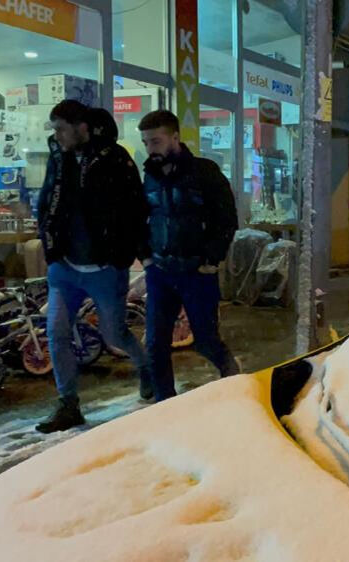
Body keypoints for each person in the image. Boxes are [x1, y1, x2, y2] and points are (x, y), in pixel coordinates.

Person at [35, 100, 150, 433]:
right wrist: (50, 245)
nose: (56, 135)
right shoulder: (59, 156)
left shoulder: (115, 159)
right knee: (56, 332)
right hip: (64, 268)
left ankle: (145, 368)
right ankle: (68, 404)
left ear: (81, 128)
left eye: (60, 128)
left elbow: (135, 209)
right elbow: (48, 199)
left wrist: (125, 253)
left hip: (104, 267)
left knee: (113, 333)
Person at [139, 110, 240, 401]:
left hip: (197, 272)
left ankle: (233, 379)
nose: (150, 149)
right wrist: (145, 257)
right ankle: (164, 403)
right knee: (156, 343)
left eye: (155, 141)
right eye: (146, 142)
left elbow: (226, 218)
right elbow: (139, 218)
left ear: (175, 137)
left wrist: (212, 259)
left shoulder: (204, 172)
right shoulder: (150, 177)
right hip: (160, 271)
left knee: (206, 339)